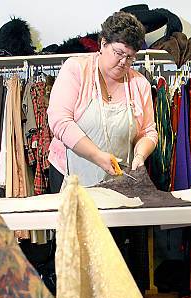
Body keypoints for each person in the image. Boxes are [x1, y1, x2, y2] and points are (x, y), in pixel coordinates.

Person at [47, 11, 158, 190]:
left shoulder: (139, 84)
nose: (124, 62)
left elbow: (148, 132)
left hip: (118, 178)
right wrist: (97, 155)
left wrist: (139, 156)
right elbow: (60, 122)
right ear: (103, 44)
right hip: (71, 175)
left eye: (130, 57)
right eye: (119, 53)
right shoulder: (76, 70)